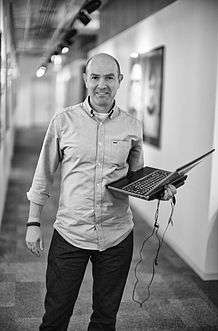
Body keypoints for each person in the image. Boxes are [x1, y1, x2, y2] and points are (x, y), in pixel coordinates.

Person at [25, 53, 176, 331]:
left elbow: (134, 177)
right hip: (71, 232)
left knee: (105, 318)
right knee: (55, 315)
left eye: (109, 77)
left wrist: (158, 190)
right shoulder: (63, 121)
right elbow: (43, 175)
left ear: (119, 81)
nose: (101, 84)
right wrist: (34, 222)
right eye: (95, 77)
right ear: (85, 80)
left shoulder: (132, 126)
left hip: (117, 235)